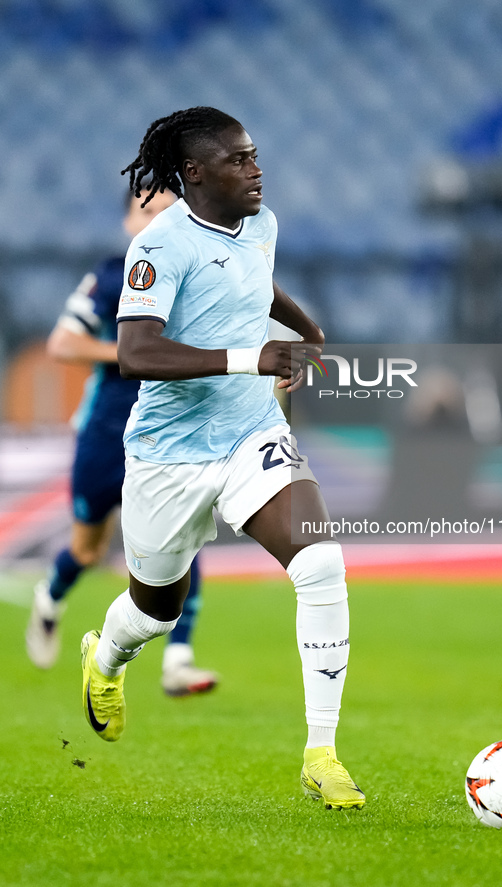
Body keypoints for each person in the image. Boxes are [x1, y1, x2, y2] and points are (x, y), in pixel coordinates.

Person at [80, 106, 365, 811]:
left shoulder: (259, 224)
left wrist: (305, 327)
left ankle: (321, 751)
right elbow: (135, 353)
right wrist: (254, 355)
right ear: (196, 174)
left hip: (249, 434)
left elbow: (253, 280)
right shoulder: (159, 246)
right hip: (168, 456)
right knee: (156, 610)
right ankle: (105, 658)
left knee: (320, 562)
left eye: (255, 154)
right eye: (238, 160)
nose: (255, 168)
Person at [26, 187, 218, 697]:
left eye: (167, 210)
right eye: (144, 210)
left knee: (184, 537)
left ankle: (179, 660)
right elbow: (63, 343)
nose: (155, 219)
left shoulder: (198, 276)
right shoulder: (112, 275)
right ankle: (50, 598)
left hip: (169, 432)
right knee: (87, 549)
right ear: (128, 221)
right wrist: (135, 352)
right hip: (107, 433)